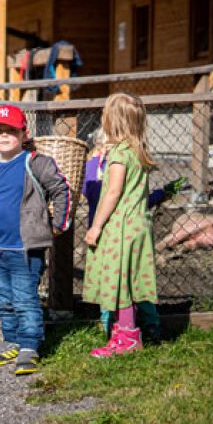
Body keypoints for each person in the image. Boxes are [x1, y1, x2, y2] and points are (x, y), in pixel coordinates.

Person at [0, 105, 70, 376]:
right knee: (5, 299)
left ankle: (29, 344)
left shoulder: (36, 163)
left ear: (24, 134)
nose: (4, 136)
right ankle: (11, 340)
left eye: (11, 131)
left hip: (26, 249)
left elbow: (61, 189)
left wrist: (60, 222)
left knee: (25, 299)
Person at [83, 94, 159, 358]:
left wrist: (96, 226)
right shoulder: (138, 151)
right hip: (139, 223)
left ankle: (126, 337)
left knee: (120, 283)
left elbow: (113, 192)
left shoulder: (118, 154)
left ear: (111, 121)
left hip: (121, 227)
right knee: (130, 279)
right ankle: (126, 331)